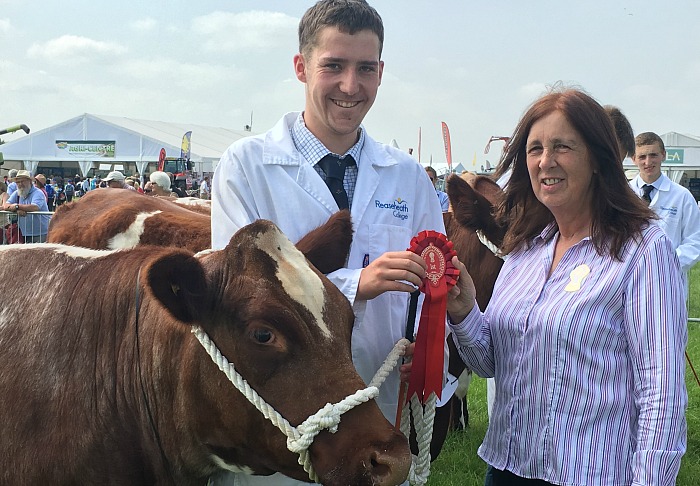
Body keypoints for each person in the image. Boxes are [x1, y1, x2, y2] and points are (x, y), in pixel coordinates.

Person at [211, 1, 445, 484]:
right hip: (283, 418)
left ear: (381, 72)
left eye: (365, 69)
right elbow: (240, 297)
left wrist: (426, 352)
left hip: (379, 402)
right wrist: (357, 282)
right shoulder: (246, 166)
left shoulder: (406, 176)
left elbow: (432, 284)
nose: (350, 86)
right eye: (333, 66)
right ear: (301, 67)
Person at [445, 89, 687, 485]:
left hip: (590, 473)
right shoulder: (525, 247)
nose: (545, 161)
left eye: (562, 147)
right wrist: (465, 311)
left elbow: (661, 394)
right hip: (506, 469)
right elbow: (490, 363)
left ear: (597, 158)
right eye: (535, 148)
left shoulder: (642, 249)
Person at [630, 131, 700, 296]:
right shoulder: (623, 194)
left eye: (653, 155)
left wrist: (665, 262)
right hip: (630, 277)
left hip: (669, 281)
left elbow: (695, 240)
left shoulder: (682, 196)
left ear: (663, 155)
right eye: (642, 157)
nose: (648, 162)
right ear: (633, 159)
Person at [1, 170, 50, 243]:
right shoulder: (16, 193)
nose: (20, 184)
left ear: (30, 181)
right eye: (18, 182)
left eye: (23, 181)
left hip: (39, 233)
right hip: (22, 233)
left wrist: (17, 206)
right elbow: (6, 205)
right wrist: (16, 210)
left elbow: (35, 207)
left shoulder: (38, 193)